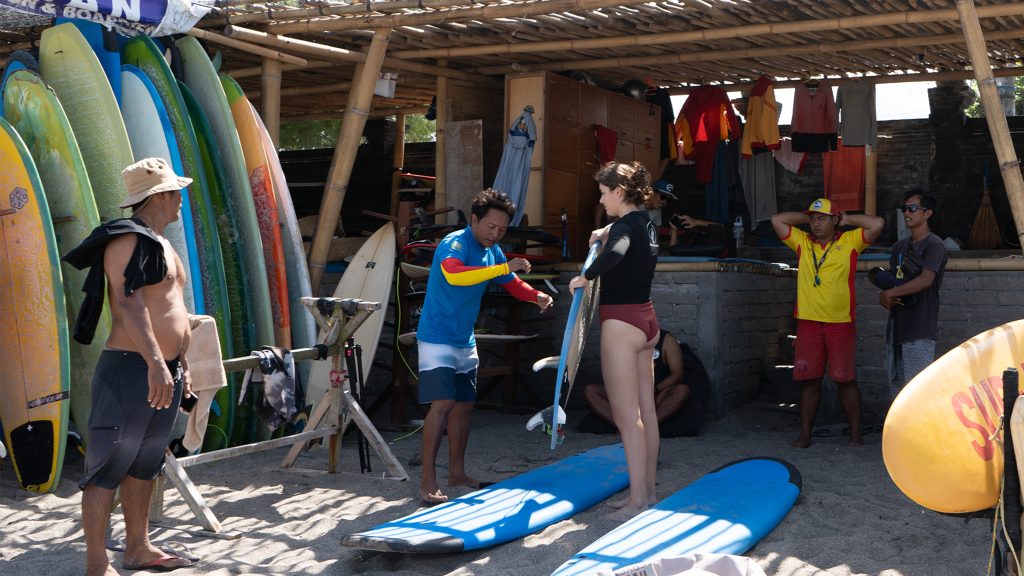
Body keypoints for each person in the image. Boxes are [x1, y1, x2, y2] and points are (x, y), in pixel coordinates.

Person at [62, 157, 195, 575]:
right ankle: (97, 563)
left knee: (145, 463)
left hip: (162, 369)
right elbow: (129, 304)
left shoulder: (160, 240)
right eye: (176, 194)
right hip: (131, 369)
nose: (180, 203)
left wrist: (180, 363)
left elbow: (171, 309)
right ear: (160, 195)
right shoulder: (128, 241)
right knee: (107, 466)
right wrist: (156, 361)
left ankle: (138, 547)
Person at [416, 188, 554, 504]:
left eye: (502, 230)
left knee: (465, 405)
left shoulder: (493, 251)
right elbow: (454, 275)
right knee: (442, 404)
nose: (495, 234)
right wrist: (505, 268)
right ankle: (427, 481)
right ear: (475, 220)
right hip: (437, 336)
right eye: (491, 227)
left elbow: (511, 285)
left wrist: (535, 296)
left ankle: (457, 473)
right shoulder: (455, 243)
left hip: (465, 339)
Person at [569, 161, 660, 520]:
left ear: (618, 192)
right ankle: (648, 493)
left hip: (622, 323)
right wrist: (605, 230)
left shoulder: (625, 226)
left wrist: (585, 277)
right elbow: (623, 233)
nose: (602, 199)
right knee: (647, 413)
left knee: (626, 417)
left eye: (604, 192)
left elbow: (618, 251)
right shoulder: (646, 222)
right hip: (648, 322)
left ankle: (637, 501)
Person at [771, 198, 884, 448]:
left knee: (844, 379)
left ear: (835, 220)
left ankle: (856, 435)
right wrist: (807, 215)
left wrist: (847, 220)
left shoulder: (850, 241)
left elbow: (877, 223)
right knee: (809, 380)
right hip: (809, 322)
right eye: (813, 219)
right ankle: (805, 435)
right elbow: (776, 220)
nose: (815, 223)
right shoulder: (802, 241)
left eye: (822, 218)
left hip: (840, 322)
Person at [873, 191, 948, 400]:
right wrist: (885, 293)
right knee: (896, 388)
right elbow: (895, 279)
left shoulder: (935, 245)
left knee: (918, 390)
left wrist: (891, 292)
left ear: (927, 213)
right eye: (905, 208)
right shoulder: (899, 247)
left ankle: (922, 434)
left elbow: (926, 279)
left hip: (920, 326)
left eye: (913, 208)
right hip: (896, 326)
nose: (907, 212)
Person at [580, 329, 707, 438]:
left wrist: (656, 389)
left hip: (657, 394)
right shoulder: (625, 339)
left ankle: (646, 427)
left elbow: (677, 374)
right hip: (629, 395)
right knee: (590, 390)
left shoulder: (666, 340)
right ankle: (625, 427)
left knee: (682, 391)